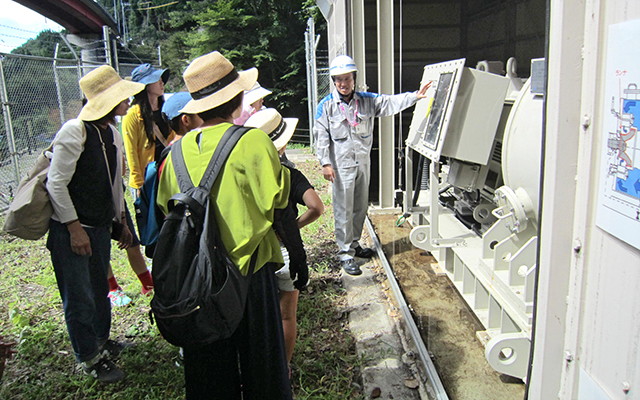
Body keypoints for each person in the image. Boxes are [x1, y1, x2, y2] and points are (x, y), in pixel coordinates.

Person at [156, 51, 293, 399]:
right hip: (251, 273)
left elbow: (165, 210)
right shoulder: (253, 141)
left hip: (197, 279)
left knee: (207, 371)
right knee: (263, 369)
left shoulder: (173, 155)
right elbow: (276, 201)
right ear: (236, 98)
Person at [46, 65, 144, 383]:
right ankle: (88, 358)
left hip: (101, 229)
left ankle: (102, 342)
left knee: (99, 290)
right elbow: (56, 184)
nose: (127, 101)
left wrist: (122, 222)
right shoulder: (75, 131)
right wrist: (74, 228)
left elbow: (115, 184)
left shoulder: (110, 132)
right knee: (79, 296)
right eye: (121, 96)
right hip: (72, 231)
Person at [314, 55, 431, 276]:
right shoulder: (326, 106)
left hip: (362, 164)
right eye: (338, 80)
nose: (343, 84)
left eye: (346, 78)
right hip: (341, 167)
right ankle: (345, 253)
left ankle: (355, 244)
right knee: (343, 210)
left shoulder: (367, 100)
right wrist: (325, 163)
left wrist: (415, 96)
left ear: (353, 78)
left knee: (360, 207)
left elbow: (390, 103)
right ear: (334, 81)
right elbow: (320, 135)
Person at [245, 108, 324, 371]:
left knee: (258, 316)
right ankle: (283, 368)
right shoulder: (289, 175)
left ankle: (257, 366)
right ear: (284, 143)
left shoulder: (245, 177)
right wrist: (293, 226)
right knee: (286, 315)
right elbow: (316, 207)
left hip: (255, 255)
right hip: (286, 253)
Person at [122, 63, 175, 197]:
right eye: (156, 79)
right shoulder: (133, 115)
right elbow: (131, 153)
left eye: (161, 78)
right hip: (147, 180)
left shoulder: (166, 109)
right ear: (145, 86)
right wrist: (139, 185)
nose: (161, 82)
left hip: (168, 175)